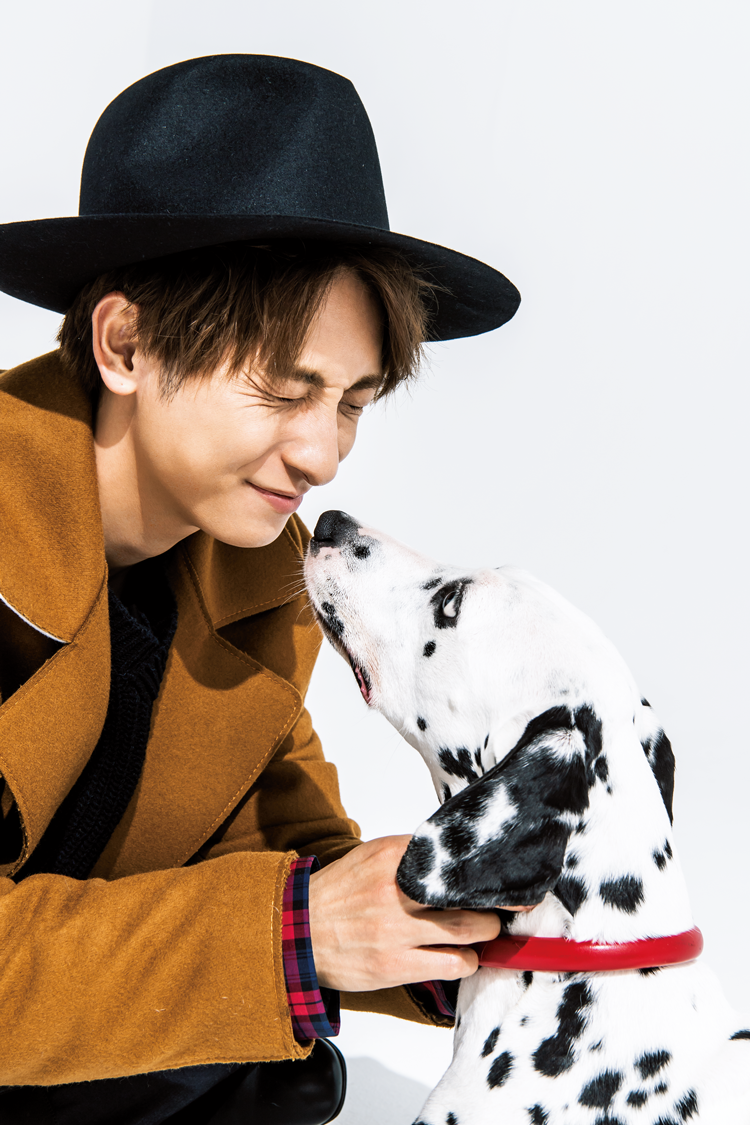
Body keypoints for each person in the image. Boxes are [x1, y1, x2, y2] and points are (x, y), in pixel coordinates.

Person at [0, 54, 520, 1123]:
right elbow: (287, 917)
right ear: (126, 344)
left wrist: (461, 926)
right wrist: (297, 933)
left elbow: (278, 850)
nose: (324, 454)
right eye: (284, 391)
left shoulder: (254, 576)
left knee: (283, 1070)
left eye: (352, 402)